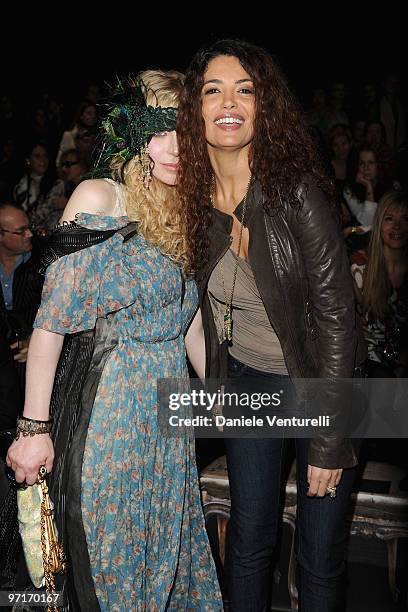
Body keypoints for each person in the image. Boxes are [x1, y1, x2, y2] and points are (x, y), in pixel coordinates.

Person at [7, 70, 222, 611]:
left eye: (186, 134)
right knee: (110, 559)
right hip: (113, 413)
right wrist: (34, 429)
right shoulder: (100, 197)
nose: (174, 149)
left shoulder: (186, 209)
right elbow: (51, 324)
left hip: (172, 421)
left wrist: (222, 398)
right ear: (132, 135)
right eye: (159, 131)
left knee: (165, 553)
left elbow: (188, 321)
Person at [177, 39, 366, 611]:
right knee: (250, 541)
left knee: (318, 555)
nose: (228, 103)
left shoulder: (295, 190)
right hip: (248, 381)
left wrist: (329, 444)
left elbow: (339, 319)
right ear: (195, 108)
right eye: (213, 90)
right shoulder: (187, 200)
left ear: (265, 106)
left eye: (245, 89)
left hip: (320, 381)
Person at [351, 190, 408, 379]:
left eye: (405, 219)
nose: (397, 226)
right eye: (390, 219)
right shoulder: (360, 265)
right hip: (369, 362)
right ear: (379, 224)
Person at [0, 203, 43, 394]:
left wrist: (36, 339)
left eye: (28, 227)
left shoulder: (42, 260)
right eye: (21, 231)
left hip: (33, 351)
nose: (30, 234)